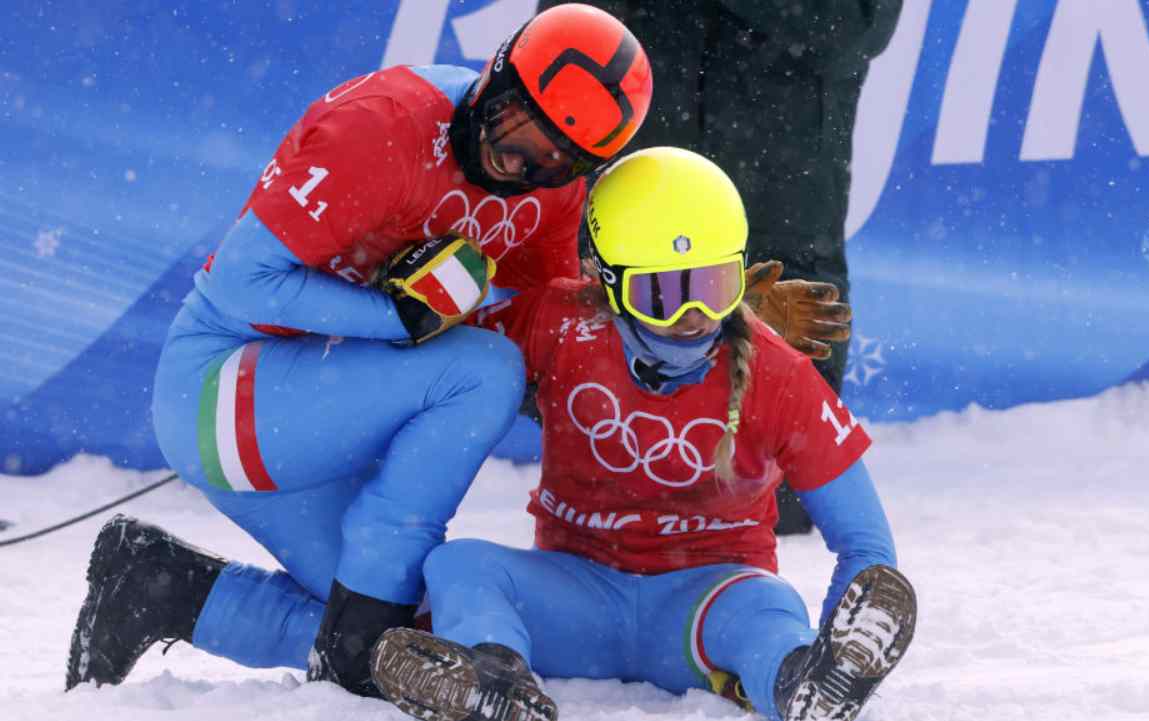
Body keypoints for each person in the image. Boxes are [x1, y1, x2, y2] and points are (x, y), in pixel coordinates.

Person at [65, 3, 654, 697]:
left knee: (427, 638)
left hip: (313, 403)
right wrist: (394, 317)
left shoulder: (550, 193)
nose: (521, 163)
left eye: (558, 160)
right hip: (221, 386)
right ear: (496, 78)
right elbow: (240, 281)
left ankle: (162, 588)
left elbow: (549, 323)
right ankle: (360, 627)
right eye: (520, 128)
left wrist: (720, 332)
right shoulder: (382, 126)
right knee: (484, 370)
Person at [367, 147, 916, 721]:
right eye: (663, 294)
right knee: (460, 565)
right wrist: (406, 297)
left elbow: (867, 547)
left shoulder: (779, 375)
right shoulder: (559, 322)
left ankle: (805, 680)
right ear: (607, 284)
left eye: (715, 284)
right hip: (573, 599)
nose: (694, 315)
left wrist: (840, 639)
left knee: (769, 607)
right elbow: (444, 367)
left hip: (707, 609)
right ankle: (494, 681)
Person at [538, 0, 905, 535]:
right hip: (643, 153)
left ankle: (766, 489)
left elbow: (857, 27)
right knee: (607, 480)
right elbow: (568, 26)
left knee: (793, 303)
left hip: (784, 161)